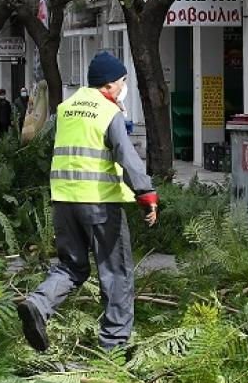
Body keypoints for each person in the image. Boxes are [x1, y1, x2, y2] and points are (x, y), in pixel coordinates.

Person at [17, 52, 158, 352]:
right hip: (99, 204)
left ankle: (38, 304)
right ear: (109, 84)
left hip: (63, 201)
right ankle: (114, 347)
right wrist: (146, 194)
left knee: (72, 266)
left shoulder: (67, 108)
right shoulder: (108, 113)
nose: (123, 87)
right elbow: (127, 157)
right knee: (116, 271)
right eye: (122, 81)